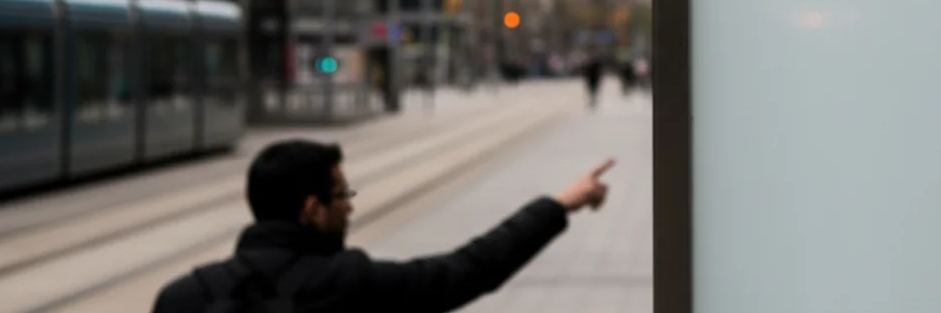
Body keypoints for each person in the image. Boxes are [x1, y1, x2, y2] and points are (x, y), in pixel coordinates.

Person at [151, 140, 614, 313]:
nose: (350, 209)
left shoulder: (181, 298)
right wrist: (560, 205)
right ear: (312, 209)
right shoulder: (350, 284)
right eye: (342, 197)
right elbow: (469, 270)